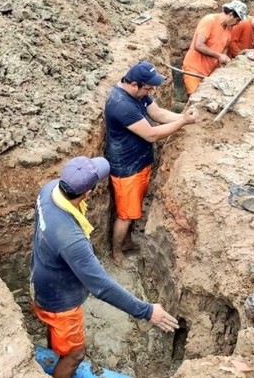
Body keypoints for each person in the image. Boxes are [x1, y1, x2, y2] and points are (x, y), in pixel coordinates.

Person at [30, 156, 180, 378]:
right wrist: (147, 311)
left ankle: (55, 348)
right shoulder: (71, 239)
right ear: (87, 193)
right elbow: (101, 286)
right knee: (74, 355)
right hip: (59, 301)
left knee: (57, 333)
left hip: (41, 279)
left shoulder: (49, 189)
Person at [105, 61, 198, 267]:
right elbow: (151, 134)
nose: (151, 91)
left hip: (140, 162)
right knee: (126, 215)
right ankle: (117, 254)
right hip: (126, 168)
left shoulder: (139, 93)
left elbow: (158, 114)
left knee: (133, 209)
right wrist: (182, 123)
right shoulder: (121, 104)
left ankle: (128, 242)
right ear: (135, 84)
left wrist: (183, 117)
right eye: (148, 87)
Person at [181, 0, 248, 96]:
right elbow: (198, 45)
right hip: (194, 69)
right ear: (231, 14)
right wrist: (219, 55)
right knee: (195, 99)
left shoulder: (229, 28)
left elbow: (225, 45)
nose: (238, 23)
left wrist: (222, 59)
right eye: (238, 20)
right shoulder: (209, 21)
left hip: (210, 71)